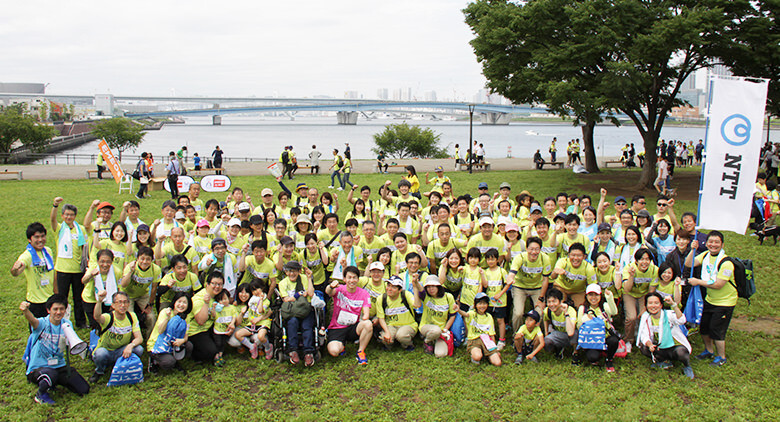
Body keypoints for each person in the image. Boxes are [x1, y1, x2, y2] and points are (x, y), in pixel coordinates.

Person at [21, 294, 90, 405]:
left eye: (61, 309)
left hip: (59, 365)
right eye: (55, 309)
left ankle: (52, 383)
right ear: (48, 310)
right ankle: (41, 394)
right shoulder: (42, 323)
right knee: (50, 375)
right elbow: (32, 321)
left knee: (83, 389)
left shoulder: (67, 324)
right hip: (38, 368)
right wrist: (26, 311)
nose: (58, 312)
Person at [684, 231, 738, 367]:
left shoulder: (726, 263)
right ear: (706, 243)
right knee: (704, 327)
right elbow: (689, 263)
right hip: (710, 299)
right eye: (711, 242)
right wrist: (692, 249)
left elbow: (719, 284)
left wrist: (698, 281)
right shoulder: (706, 256)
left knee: (716, 329)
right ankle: (709, 350)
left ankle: (721, 356)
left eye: (716, 242)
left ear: (722, 244)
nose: (713, 245)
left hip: (725, 302)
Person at [89, 290, 144, 384]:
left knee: (139, 349)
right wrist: (99, 301)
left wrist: (130, 346)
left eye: (125, 302)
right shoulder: (108, 317)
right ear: (113, 305)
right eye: (119, 302)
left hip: (121, 350)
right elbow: (97, 317)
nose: (123, 305)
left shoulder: (132, 316)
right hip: (106, 349)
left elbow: (139, 338)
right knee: (100, 354)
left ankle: (121, 365)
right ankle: (99, 371)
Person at [50, 197, 88, 328]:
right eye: (66, 214)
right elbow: (52, 220)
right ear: (62, 215)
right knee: (62, 298)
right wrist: (55, 206)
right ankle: (61, 322)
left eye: (71, 215)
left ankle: (80, 322)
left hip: (78, 270)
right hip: (63, 270)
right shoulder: (59, 228)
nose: (69, 217)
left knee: (79, 298)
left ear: (75, 216)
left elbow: (84, 249)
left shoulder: (80, 229)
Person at [637, 292, 694, 379]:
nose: (653, 306)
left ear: (661, 305)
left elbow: (682, 320)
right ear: (646, 305)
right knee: (644, 347)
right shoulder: (646, 317)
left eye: (656, 303)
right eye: (650, 303)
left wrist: (674, 305)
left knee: (681, 352)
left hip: (674, 346)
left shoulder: (668, 314)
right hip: (660, 347)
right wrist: (650, 345)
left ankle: (687, 366)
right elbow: (644, 336)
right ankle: (664, 361)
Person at [326, 265, 373, 365]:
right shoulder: (339, 289)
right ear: (344, 279)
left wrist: (363, 320)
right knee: (334, 352)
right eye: (349, 277)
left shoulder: (364, 293)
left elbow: (366, 314)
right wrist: (331, 286)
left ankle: (361, 351)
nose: (352, 280)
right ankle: (341, 346)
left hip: (353, 327)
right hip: (337, 327)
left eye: (354, 277)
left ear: (358, 279)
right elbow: (329, 292)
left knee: (368, 324)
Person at [11, 222, 56, 319]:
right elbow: (16, 273)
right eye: (36, 237)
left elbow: (52, 272)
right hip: (36, 302)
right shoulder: (27, 255)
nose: (40, 240)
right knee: (37, 330)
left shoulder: (48, 251)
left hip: (50, 299)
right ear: (29, 239)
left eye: (42, 236)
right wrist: (15, 268)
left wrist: (56, 294)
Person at [576, 284, 618, 371]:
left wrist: (609, 297)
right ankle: (597, 352)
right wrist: (586, 320)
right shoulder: (583, 309)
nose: (593, 298)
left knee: (614, 341)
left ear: (600, 295)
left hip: (605, 337)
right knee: (592, 357)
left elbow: (614, 312)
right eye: (591, 295)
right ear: (586, 296)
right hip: (592, 340)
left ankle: (609, 359)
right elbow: (579, 326)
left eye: (596, 295)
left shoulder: (604, 306)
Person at [147, 292, 191, 373]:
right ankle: (154, 360)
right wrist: (167, 318)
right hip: (157, 344)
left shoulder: (185, 317)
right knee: (169, 362)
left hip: (172, 344)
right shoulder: (165, 312)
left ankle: (173, 357)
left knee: (189, 346)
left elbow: (186, 335)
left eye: (184, 302)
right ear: (174, 302)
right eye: (179, 301)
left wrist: (182, 340)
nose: (181, 305)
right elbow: (160, 331)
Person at [186, 272, 224, 365]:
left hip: (208, 328)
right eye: (214, 284)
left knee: (221, 345)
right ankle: (192, 352)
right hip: (195, 331)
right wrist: (206, 303)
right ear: (207, 284)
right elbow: (200, 321)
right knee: (210, 352)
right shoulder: (199, 298)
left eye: (220, 284)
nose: (217, 287)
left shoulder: (217, 297)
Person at [377, 276, 422, 351]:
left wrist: (415, 287)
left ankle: (407, 345)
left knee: (401, 336)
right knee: (384, 338)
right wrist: (387, 332)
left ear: (400, 290)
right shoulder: (381, 299)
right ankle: (389, 345)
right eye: (388, 286)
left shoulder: (405, 295)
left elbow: (417, 305)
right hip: (391, 325)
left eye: (394, 287)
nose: (389, 289)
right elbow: (381, 318)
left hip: (408, 324)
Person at [457, 292, 501, 366]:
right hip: (474, 340)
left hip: (486, 341)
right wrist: (458, 310)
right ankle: (476, 354)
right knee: (477, 357)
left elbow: (492, 334)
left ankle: (487, 354)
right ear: (475, 305)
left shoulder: (489, 317)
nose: (482, 306)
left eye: (484, 304)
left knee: (498, 363)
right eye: (480, 304)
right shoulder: (472, 313)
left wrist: (494, 348)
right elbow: (465, 314)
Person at [542, 288, 577, 359]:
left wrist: (566, 314)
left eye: (554, 301)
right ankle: (559, 349)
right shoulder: (547, 311)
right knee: (546, 341)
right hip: (559, 333)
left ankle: (576, 353)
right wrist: (546, 332)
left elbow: (570, 333)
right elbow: (546, 320)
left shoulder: (570, 311)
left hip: (572, 335)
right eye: (549, 302)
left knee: (575, 335)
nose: (551, 304)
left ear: (561, 301)